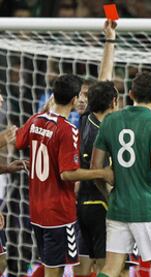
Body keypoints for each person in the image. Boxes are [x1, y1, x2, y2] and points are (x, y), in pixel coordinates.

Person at [14, 73, 113, 277]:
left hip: (36, 209)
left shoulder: (37, 120)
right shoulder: (67, 130)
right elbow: (68, 174)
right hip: (58, 212)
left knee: (53, 267)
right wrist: (102, 172)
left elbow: (18, 142)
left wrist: (42, 112)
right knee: (56, 271)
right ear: (74, 99)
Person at [92, 72, 151, 277]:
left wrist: (109, 195)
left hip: (118, 207)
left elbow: (97, 168)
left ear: (131, 93)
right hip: (149, 208)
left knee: (110, 268)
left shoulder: (110, 121)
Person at [73, 20, 118, 277]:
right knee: (105, 268)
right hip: (102, 203)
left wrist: (110, 40)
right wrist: (110, 40)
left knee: (81, 268)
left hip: (80, 203)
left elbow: (104, 79)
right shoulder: (109, 128)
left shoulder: (83, 120)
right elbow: (105, 78)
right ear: (113, 100)